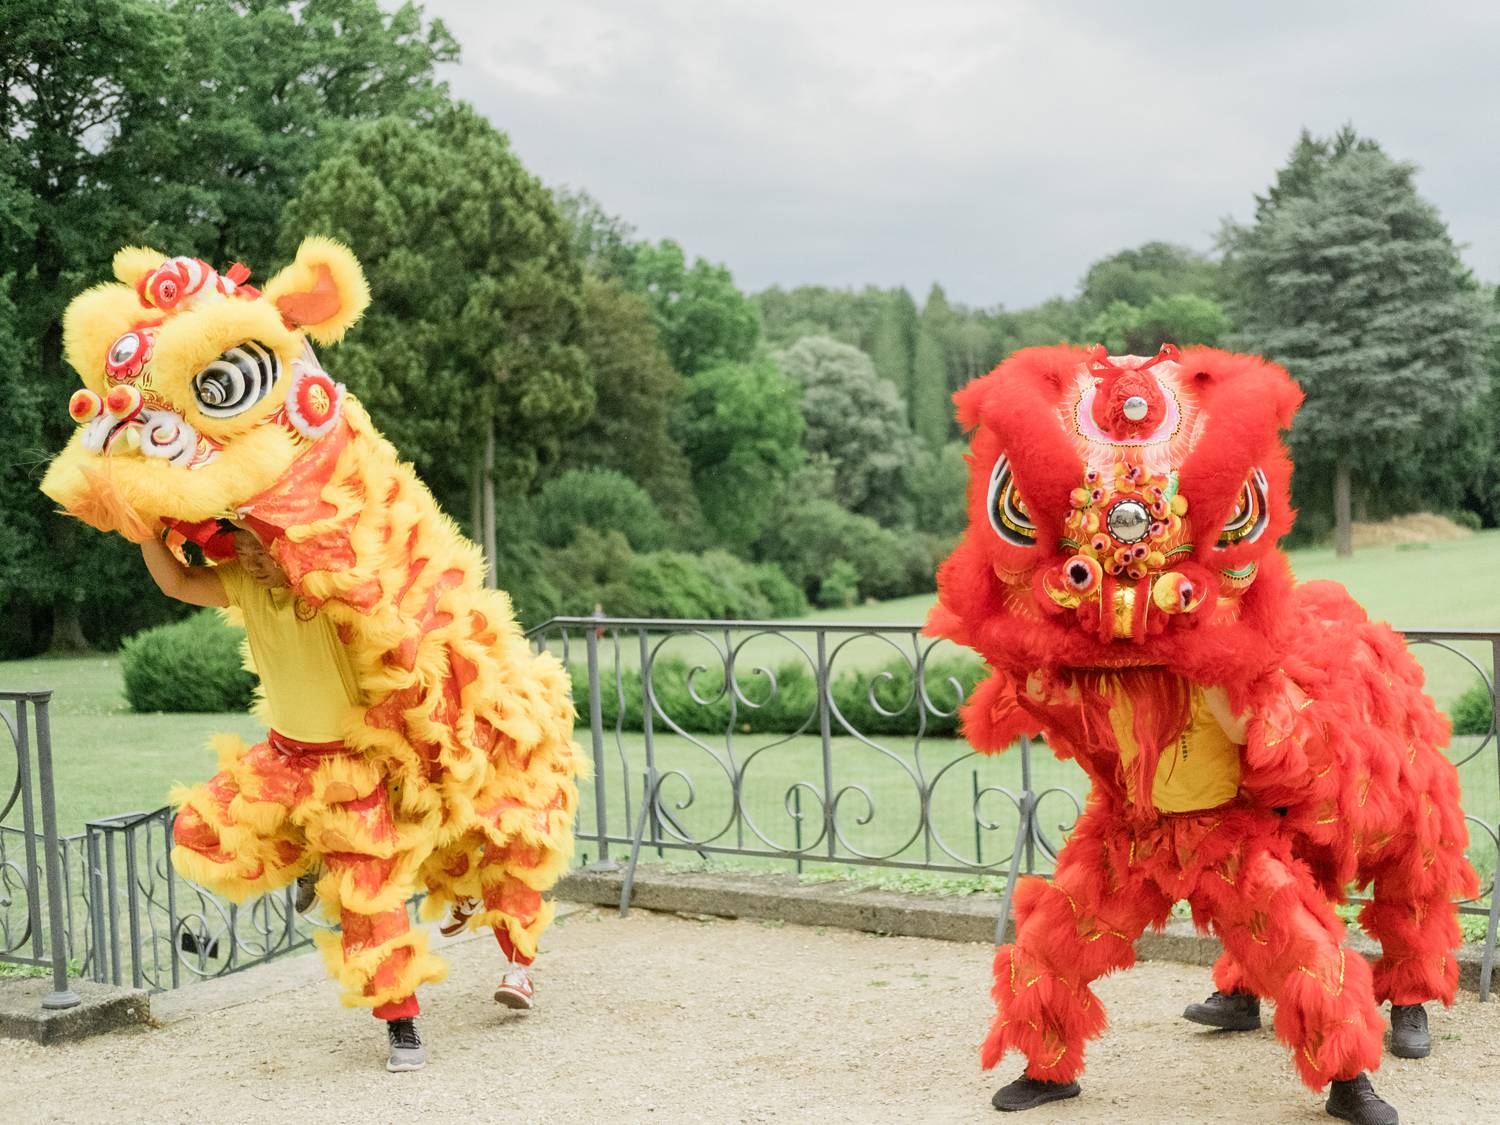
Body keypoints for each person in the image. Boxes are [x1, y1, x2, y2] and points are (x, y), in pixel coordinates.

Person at [144, 522, 433, 1070]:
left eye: (261, 547)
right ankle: (306, 855)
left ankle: (402, 1025)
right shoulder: (246, 583)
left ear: (291, 546)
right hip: (283, 758)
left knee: (370, 903)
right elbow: (178, 585)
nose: (249, 558)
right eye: (241, 546)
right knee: (195, 829)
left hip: (350, 770)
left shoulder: (331, 588)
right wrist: (143, 534)